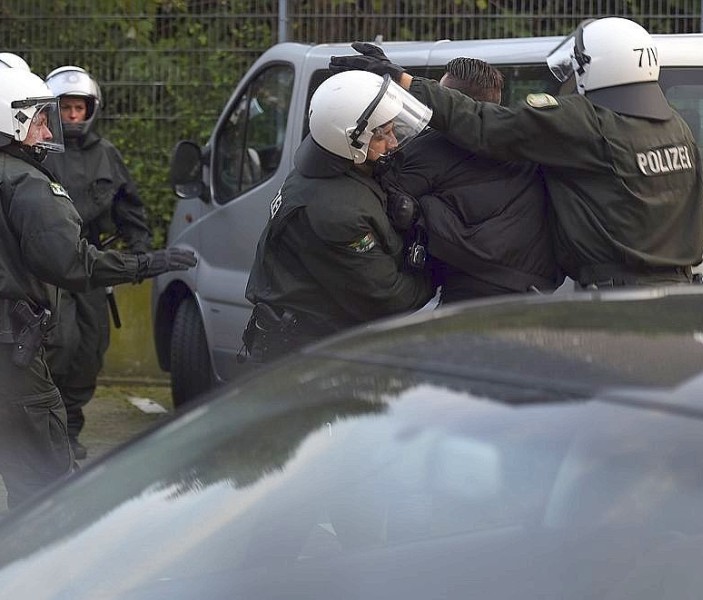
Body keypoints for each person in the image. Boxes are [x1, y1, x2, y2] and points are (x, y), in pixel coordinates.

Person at [330, 17, 703, 288]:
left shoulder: (588, 123)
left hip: (619, 301)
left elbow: (484, 124)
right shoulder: (676, 127)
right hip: (680, 294)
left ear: (592, 67)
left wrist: (404, 81)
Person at [0, 67, 196, 509]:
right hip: (24, 327)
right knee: (44, 483)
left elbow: (126, 207)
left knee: (88, 350)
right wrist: (146, 263)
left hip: (47, 295)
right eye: (41, 118)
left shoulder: (70, 161)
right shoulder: (27, 181)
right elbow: (69, 261)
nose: (52, 127)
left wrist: (138, 244)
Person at [242, 70, 434, 362]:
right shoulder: (338, 213)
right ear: (350, 140)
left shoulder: (329, 169)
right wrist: (439, 271)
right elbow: (388, 298)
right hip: (304, 358)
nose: (394, 143)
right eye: (384, 134)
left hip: (312, 345)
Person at [381, 57, 562, 303]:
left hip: (473, 293)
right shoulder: (524, 142)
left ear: (447, 104)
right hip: (539, 291)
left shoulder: (433, 147)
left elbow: (385, 198)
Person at [43, 65, 153, 460]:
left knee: (90, 348)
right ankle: (50, 430)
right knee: (59, 343)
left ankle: (71, 427)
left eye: (79, 108)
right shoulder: (36, 151)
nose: (73, 116)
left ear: (92, 110)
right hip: (49, 268)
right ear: (51, 109)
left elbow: (129, 207)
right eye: (65, 108)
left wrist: (142, 251)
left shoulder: (107, 155)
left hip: (93, 266)